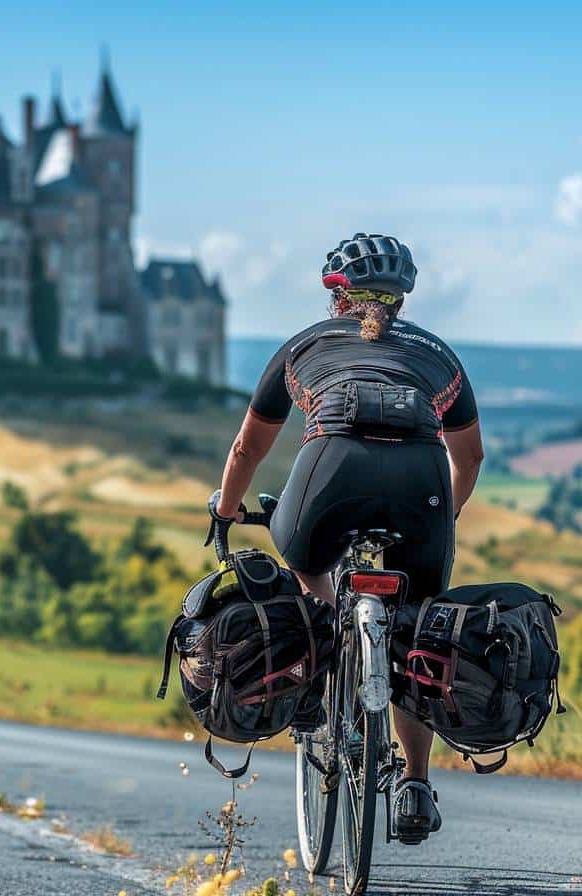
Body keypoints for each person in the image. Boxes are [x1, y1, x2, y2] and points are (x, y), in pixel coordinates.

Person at [211, 233, 485, 844]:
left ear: (336, 294)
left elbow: (247, 448)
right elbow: (470, 455)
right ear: (401, 299)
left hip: (330, 469)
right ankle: (413, 783)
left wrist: (225, 511)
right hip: (424, 481)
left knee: (304, 558)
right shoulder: (438, 354)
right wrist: (449, 517)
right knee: (414, 624)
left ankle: (330, 653)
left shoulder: (304, 345)